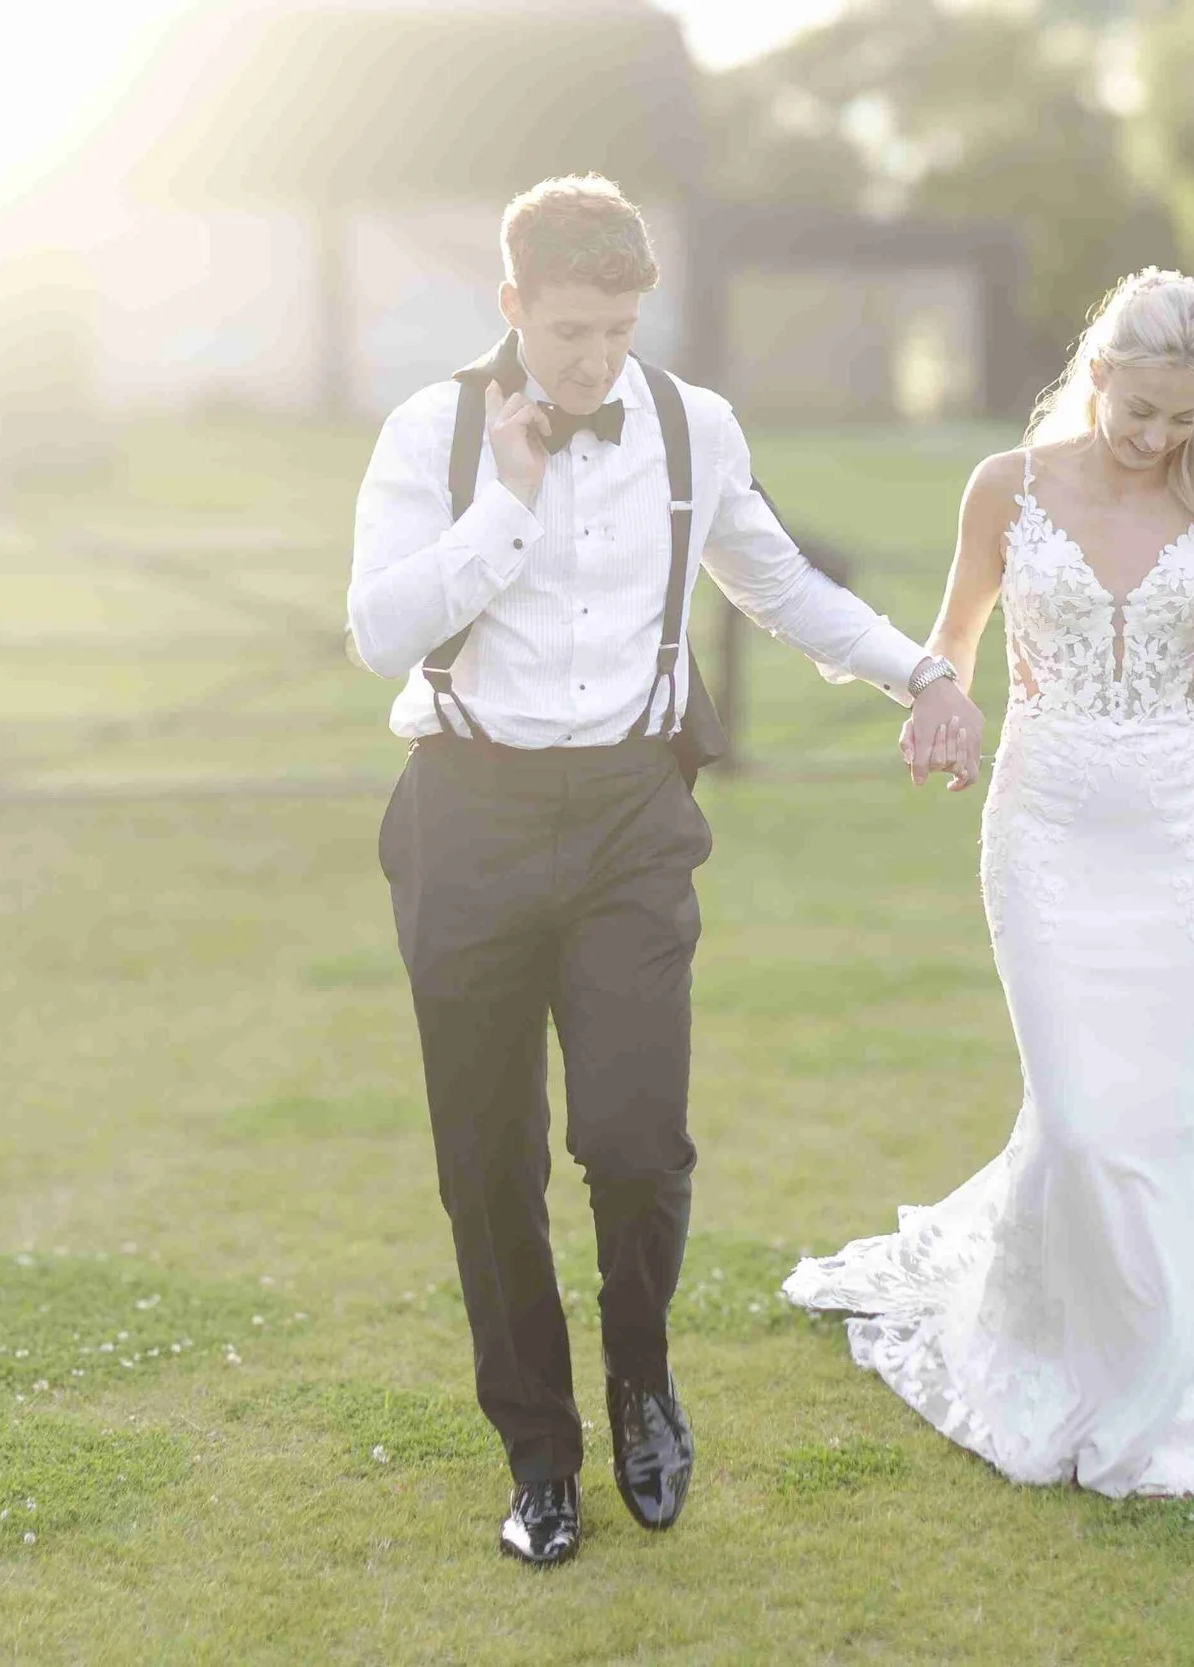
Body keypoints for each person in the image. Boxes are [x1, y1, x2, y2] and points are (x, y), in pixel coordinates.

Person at [347, 175, 984, 1567]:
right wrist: (507, 503)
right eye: (568, 332)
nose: (594, 362)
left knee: (636, 1139)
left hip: (632, 817)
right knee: (488, 1160)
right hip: (467, 815)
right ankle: (538, 1455)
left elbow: (779, 583)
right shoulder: (431, 433)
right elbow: (379, 630)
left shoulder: (693, 427)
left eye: (619, 331)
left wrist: (923, 671)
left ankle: (641, 1374)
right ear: (511, 306)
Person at [783, 268, 1194, 1498]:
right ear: (1098, 375)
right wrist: (938, 702)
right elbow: (953, 640)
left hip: (1177, 832)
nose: (1158, 436)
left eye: (1184, 417)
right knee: (1075, 1117)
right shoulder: (1005, 490)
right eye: (1141, 410)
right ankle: (1038, 1354)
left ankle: (1155, 1381)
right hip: (1046, 827)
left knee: (1160, 1119)